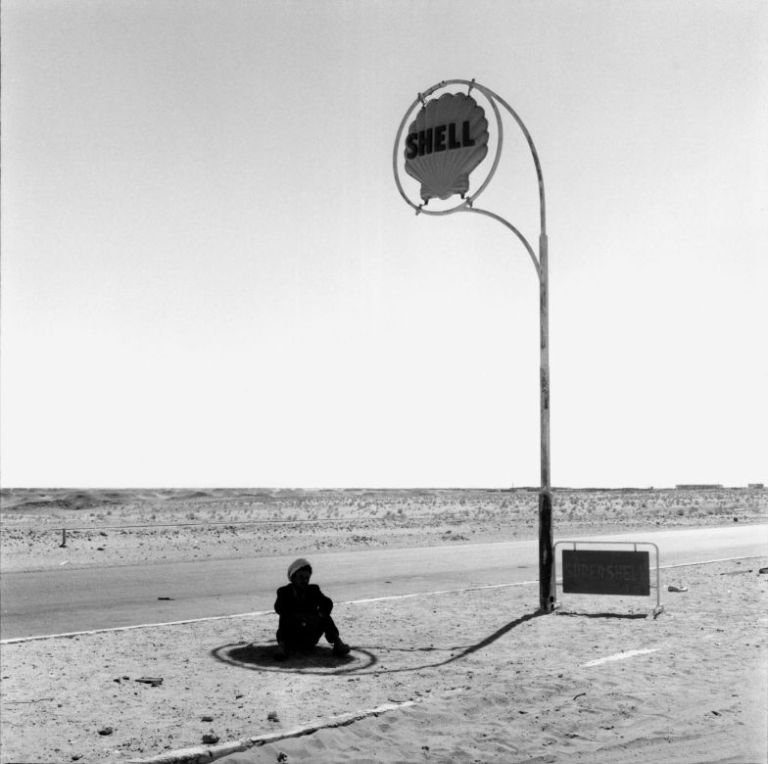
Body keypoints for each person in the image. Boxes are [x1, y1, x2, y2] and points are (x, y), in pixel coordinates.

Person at [274, 558, 351, 659]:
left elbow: (327, 603)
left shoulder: (313, 590)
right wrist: (299, 616)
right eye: (301, 577)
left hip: (309, 636)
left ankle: (337, 643)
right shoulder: (284, 592)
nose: (304, 581)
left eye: (307, 578)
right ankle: (282, 648)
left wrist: (319, 615)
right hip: (292, 637)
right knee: (285, 616)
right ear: (293, 577)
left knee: (325, 617)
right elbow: (279, 608)